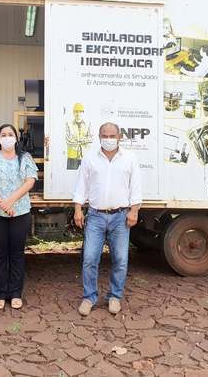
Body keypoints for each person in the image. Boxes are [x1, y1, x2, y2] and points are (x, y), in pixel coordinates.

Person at [73, 122, 142, 316]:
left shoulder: (130, 158)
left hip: (121, 216)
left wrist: (134, 210)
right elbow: (81, 185)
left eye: (113, 136)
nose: (109, 139)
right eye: (105, 135)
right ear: (99, 136)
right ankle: (89, 297)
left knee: (120, 259)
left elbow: (135, 187)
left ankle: (114, 297)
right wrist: (78, 209)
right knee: (89, 258)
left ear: (120, 137)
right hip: (95, 216)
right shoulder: (90, 158)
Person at [0, 124, 38, 310]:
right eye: (3, 134)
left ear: (16, 139)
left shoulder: (25, 158)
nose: (7, 137)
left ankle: (15, 293)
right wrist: (1, 203)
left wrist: (10, 201)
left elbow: (30, 181)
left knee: (17, 253)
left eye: (10, 134)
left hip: (20, 212)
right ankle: (0, 294)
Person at [65, 102, 93, 170]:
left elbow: (91, 138)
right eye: (76, 111)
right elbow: (68, 140)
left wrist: (76, 140)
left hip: (85, 156)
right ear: (73, 113)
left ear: (83, 113)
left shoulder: (88, 124)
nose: (78, 114)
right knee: (70, 176)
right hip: (72, 156)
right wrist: (83, 140)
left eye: (80, 111)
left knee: (86, 177)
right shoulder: (68, 124)